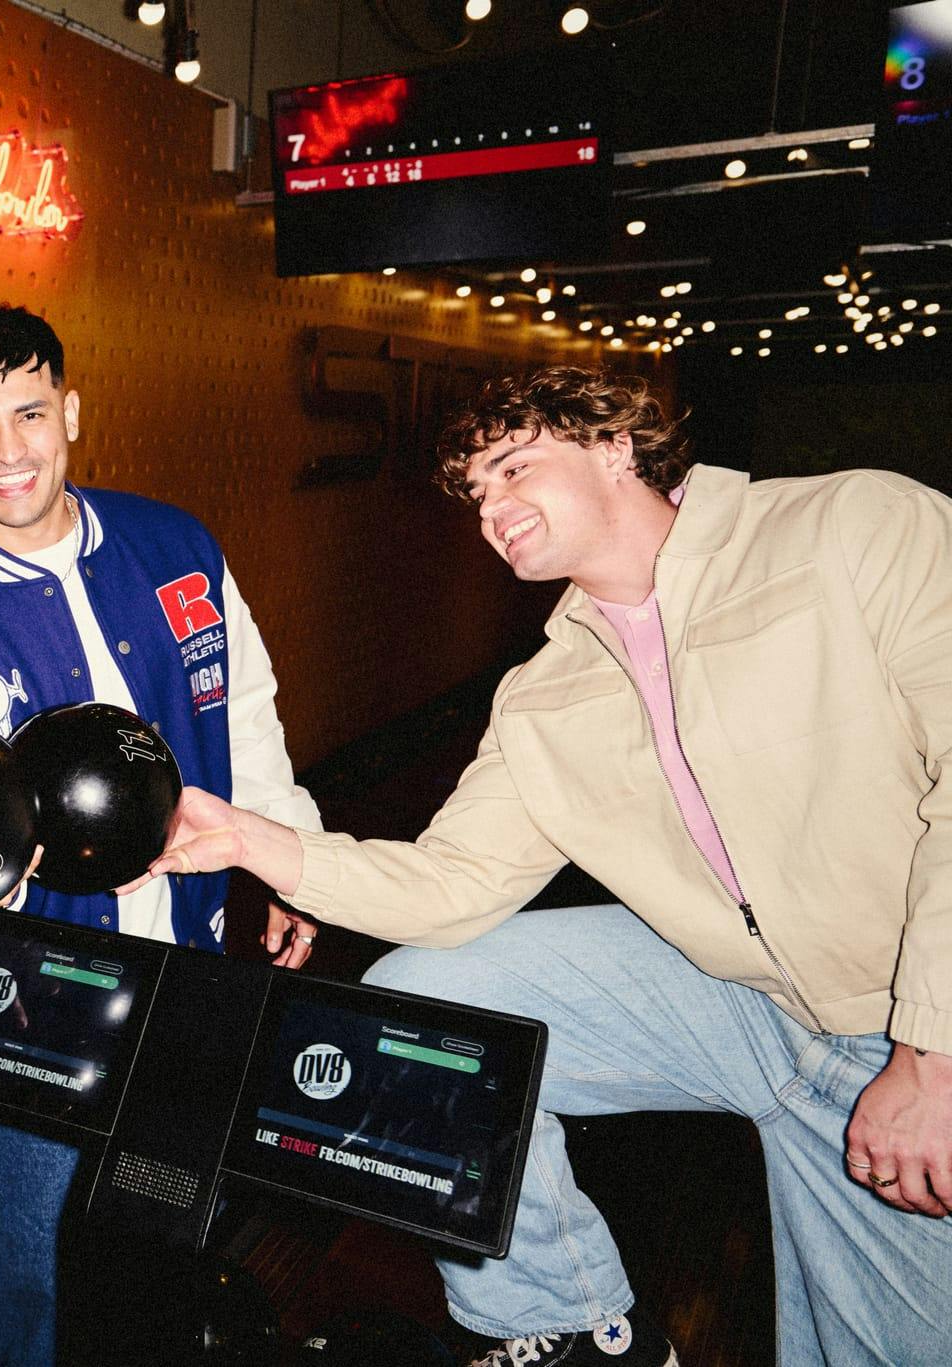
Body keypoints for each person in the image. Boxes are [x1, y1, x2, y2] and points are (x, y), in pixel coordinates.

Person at [141, 365, 952, 1366]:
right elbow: (448, 885)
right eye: (476, 494)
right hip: (752, 1006)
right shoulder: (544, 690)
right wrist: (247, 840)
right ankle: (569, 1324)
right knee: (416, 1008)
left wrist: (929, 1048)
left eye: (514, 467)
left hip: (914, 1018)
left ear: (613, 443)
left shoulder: (849, 530)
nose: (492, 511)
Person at [0, 306, 323, 1366]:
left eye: (28, 413)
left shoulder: (176, 545)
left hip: (188, 972)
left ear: (69, 409)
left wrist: (291, 861)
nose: (7, 448)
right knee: (16, 1259)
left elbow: (245, 714)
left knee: (159, 1230)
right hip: (29, 1000)